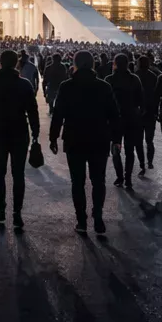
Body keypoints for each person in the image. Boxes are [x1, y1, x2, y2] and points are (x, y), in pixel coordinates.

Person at [48, 50, 120, 234]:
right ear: (93, 64)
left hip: (74, 139)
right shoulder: (103, 86)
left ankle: (81, 220)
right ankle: (98, 218)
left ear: (75, 64)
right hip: (99, 139)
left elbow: (58, 114)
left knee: (77, 182)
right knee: (99, 181)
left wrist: (53, 137)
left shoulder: (67, 86)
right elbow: (114, 115)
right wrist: (117, 139)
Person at [0, 49, 40, 231]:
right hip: (20, 131)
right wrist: (36, 133)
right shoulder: (25, 84)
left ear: (0, 62)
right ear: (16, 64)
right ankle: (17, 213)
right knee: (18, 173)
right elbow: (33, 110)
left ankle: (1, 209)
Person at [106, 53, 145, 183]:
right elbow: (141, 99)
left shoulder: (109, 80)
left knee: (115, 147)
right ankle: (128, 176)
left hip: (115, 118)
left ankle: (120, 176)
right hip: (131, 117)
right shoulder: (135, 79)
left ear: (115, 64)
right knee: (129, 148)